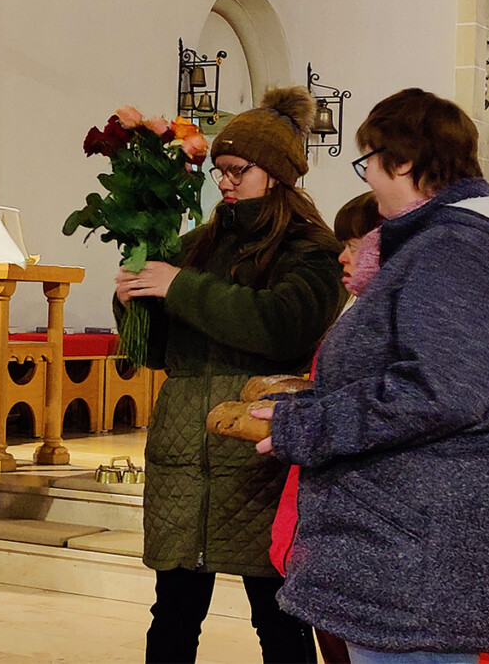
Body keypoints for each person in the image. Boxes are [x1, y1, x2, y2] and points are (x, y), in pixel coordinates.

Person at [253, 88, 489, 663]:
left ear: (401, 161)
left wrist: (309, 426)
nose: (367, 179)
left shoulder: (455, 249)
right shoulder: (446, 244)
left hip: (419, 541)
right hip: (412, 532)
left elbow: (438, 391)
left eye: (367, 162)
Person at [115, 86, 348, 663]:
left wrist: (179, 286)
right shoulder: (198, 244)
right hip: (185, 452)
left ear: (276, 172)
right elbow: (163, 350)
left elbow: (282, 327)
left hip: (258, 452)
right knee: (173, 609)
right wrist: (132, 303)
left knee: (277, 613)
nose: (224, 181)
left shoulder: (312, 248)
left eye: (238, 170)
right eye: (219, 170)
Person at [267, 191, 382, 664]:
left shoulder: (395, 322)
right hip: (322, 517)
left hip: (356, 529)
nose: (342, 254)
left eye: (355, 243)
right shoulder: (360, 318)